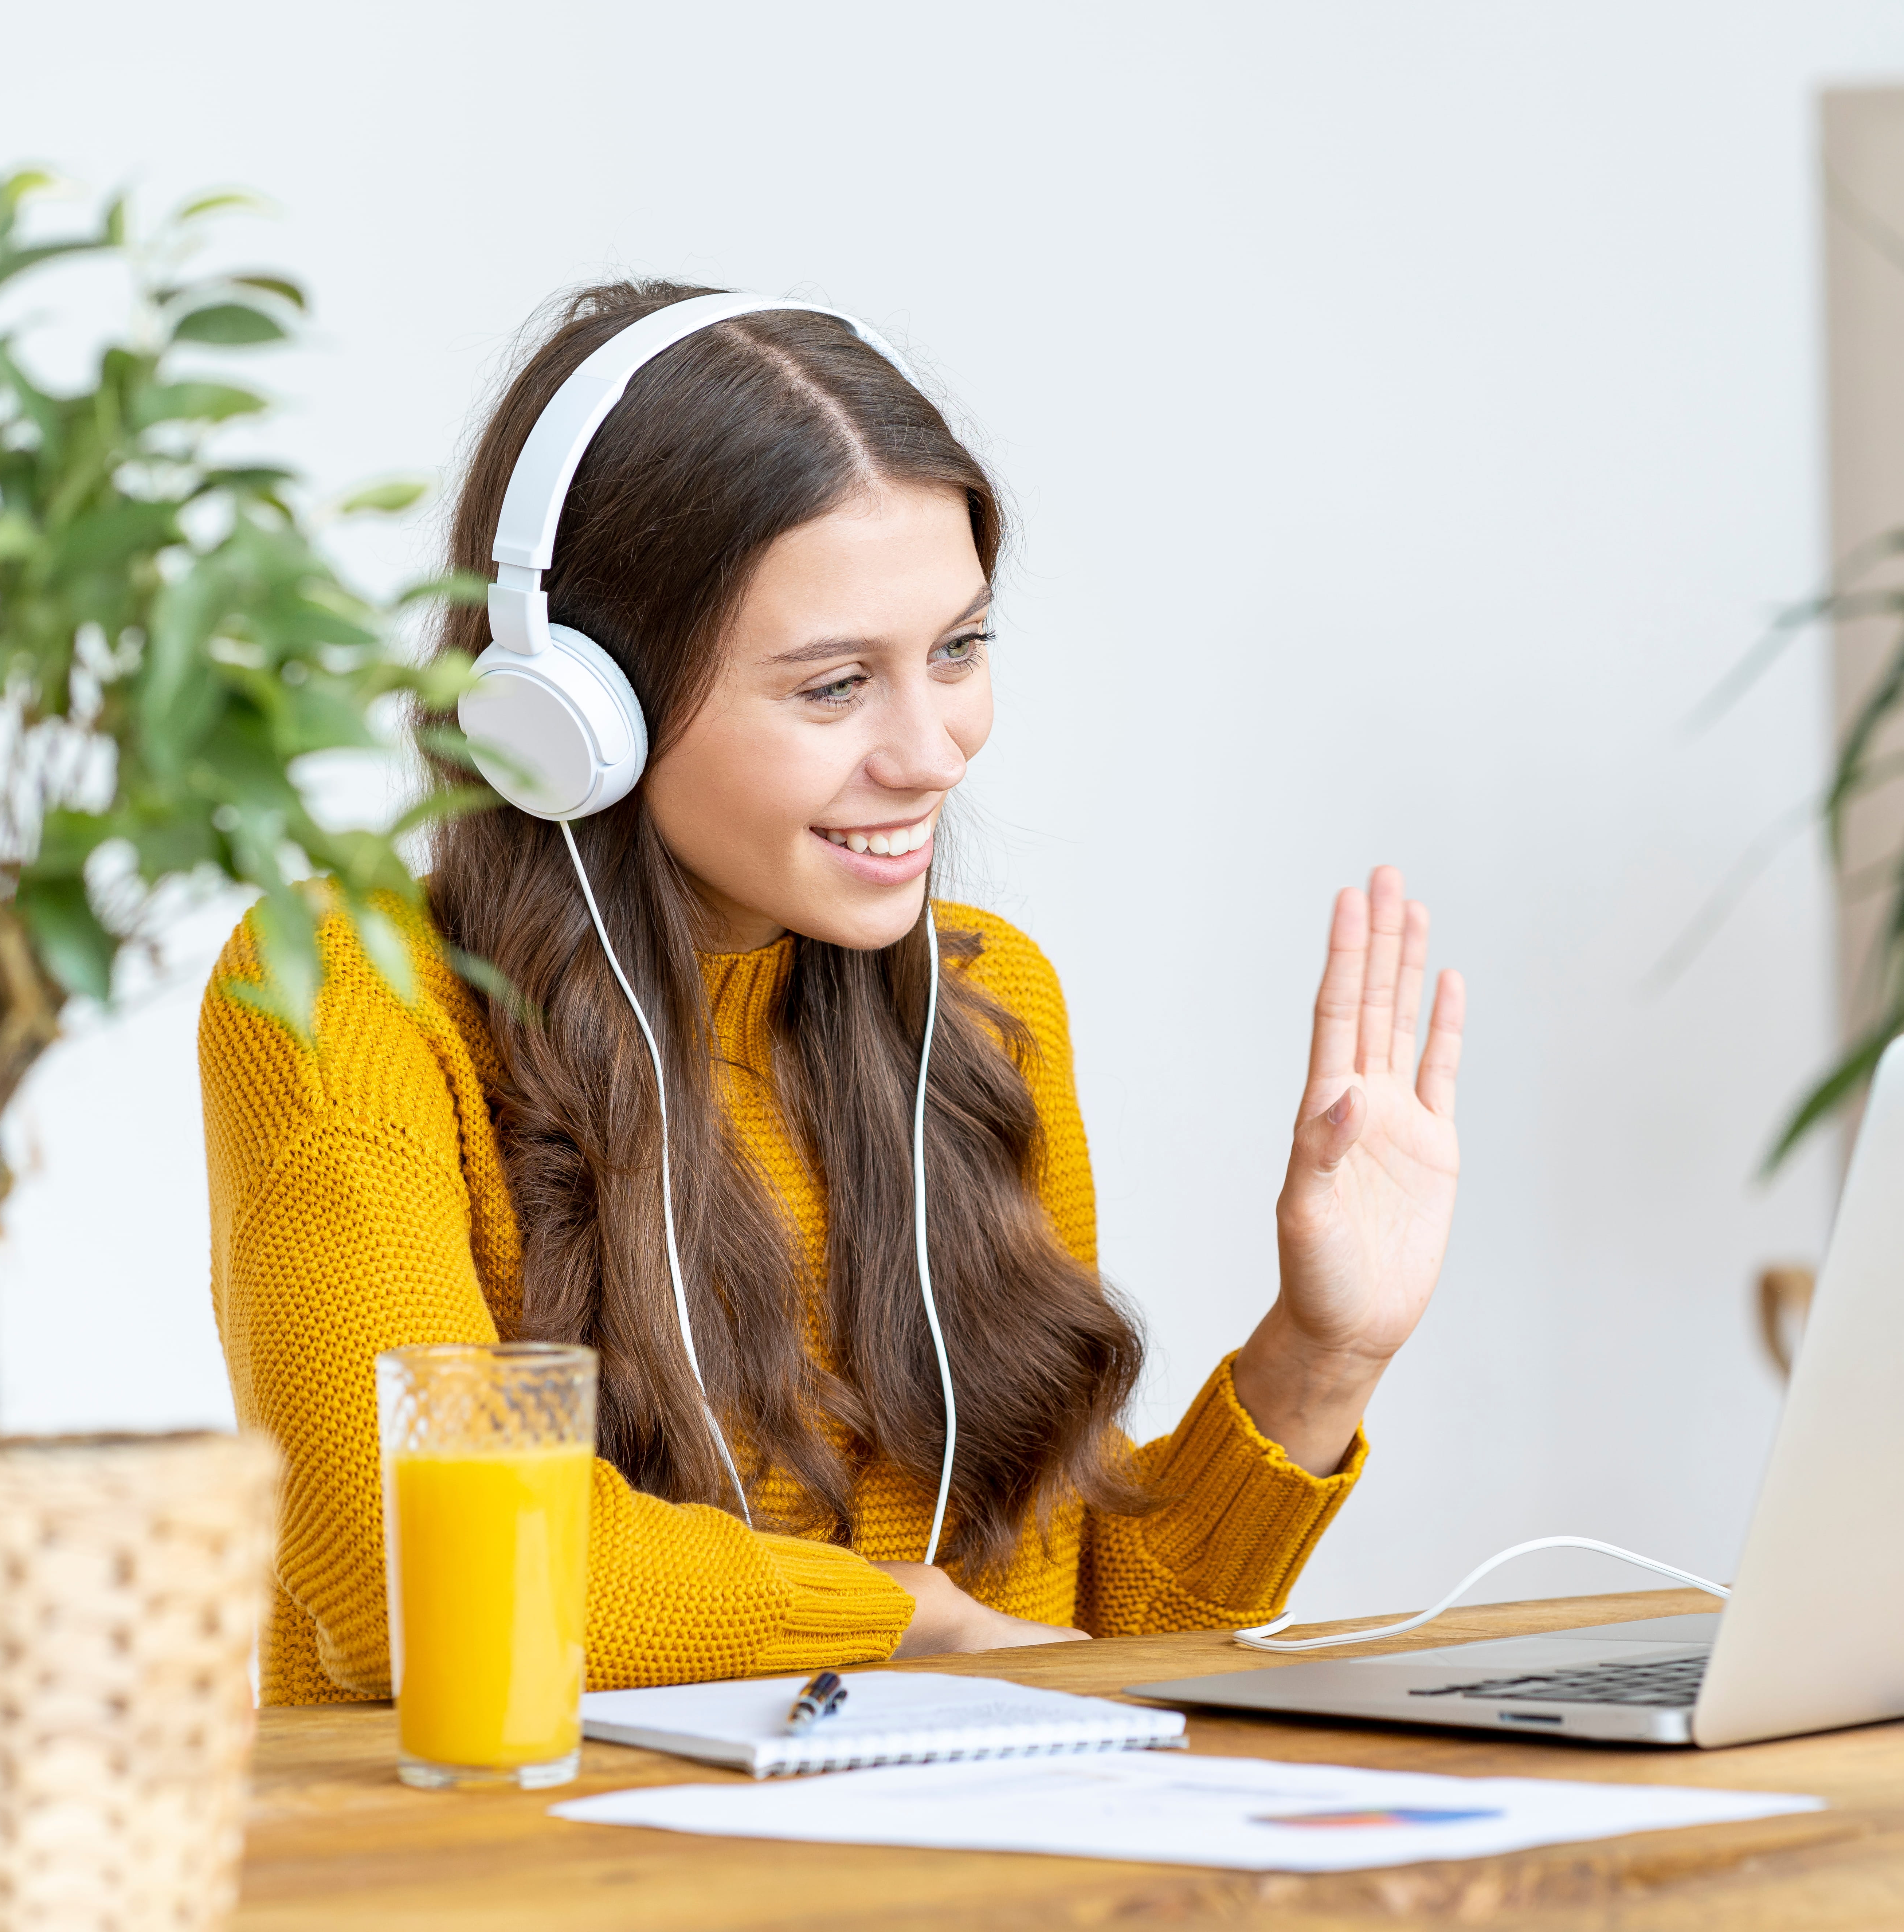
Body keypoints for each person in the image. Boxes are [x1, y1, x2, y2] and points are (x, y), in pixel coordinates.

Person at [199, 282, 1466, 1704]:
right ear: (573, 714)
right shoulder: (353, 996)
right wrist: (899, 1618)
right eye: (832, 686)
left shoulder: (986, 1007)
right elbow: (417, 1582)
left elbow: (1080, 1644)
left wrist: (1320, 1354)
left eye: (959, 649)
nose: (933, 752)